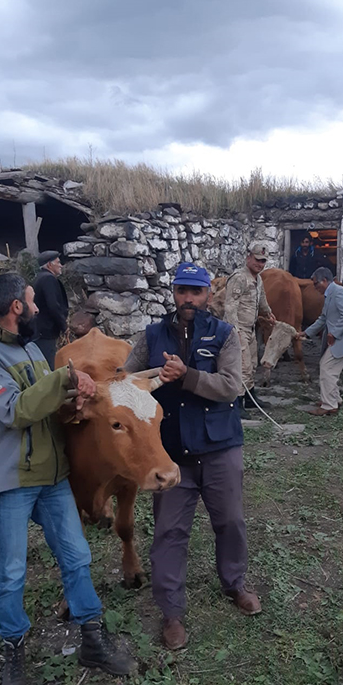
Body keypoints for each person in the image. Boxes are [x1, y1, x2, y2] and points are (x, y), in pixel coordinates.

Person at [0, 273, 136, 685]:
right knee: (12, 571)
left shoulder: (32, 349)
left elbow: (47, 405)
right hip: (11, 479)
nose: (38, 307)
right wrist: (65, 379)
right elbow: (15, 410)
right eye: (33, 301)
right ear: (17, 307)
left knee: (77, 556)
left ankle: (93, 639)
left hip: (51, 475)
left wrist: (73, 400)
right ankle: (14, 651)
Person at [123, 262, 261, 651]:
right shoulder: (152, 336)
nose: (189, 298)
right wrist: (139, 382)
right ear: (173, 292)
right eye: (182, 290)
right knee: (169, 532)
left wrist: (186, 376)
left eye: (196, 291)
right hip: (170, 454)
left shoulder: (225, 335)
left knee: (231, 522)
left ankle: (234, 584)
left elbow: (232, 387)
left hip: (220, 447)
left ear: (207, 295)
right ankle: (171, 611)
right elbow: (125, 381)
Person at [298, 267, 343, 416]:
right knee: (329, 369)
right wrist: (306, 332)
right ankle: (334, 399)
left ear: (325, 281)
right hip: (341, 337)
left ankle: (329, 406)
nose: (315, 288)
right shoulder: (330, 294)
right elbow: (323, 318)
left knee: (327, 368)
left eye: (316, 284)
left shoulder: (338, 292)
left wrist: (334, 333)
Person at [224, 244, 276, 418]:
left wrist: (268, 312)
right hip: (239, 328)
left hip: (251, 328)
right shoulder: (239, 278)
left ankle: (250, 397)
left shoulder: (258, 279)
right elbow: (230, 306)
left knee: (252, 363)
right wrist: (234, 331)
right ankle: (236, 403)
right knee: (242, 366)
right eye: (257, 260)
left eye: (263, 261)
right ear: (248, 257)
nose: (259, 264)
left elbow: (261, 300)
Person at [33, 250, 69, 368]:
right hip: (45, 330)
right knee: (48, 366)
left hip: (38, 330)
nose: (61, 265)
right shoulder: (48, 279)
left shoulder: (39, 277)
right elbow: (53, 305)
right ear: (49, 265)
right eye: (58, 262)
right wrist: (63, 325)